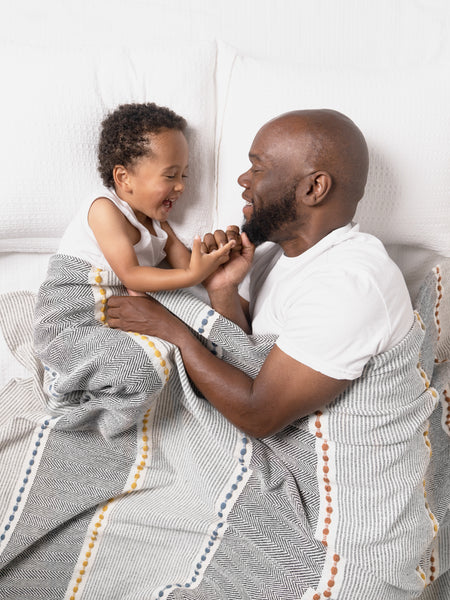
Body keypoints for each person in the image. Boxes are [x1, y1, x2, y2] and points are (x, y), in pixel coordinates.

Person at [106, 108, 414, 437]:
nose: (243, 179)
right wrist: (222, 289)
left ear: (314, 188)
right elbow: (250, 354)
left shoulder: (351, 285)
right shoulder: (274, 251)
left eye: (258, 168)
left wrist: (170, 330)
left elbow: (258, 417)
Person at [57, 102, 235, 296]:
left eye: (183, 175)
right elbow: (131, 275)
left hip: (113, 306)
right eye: (170, 176)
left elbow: (188, 265)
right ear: (124, 178)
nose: (181, 186)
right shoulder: (104, 209)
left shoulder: (158, 226)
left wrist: (218, 257)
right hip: (74, 296)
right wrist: (191, 275)